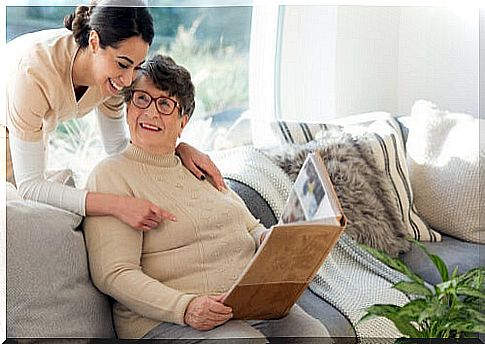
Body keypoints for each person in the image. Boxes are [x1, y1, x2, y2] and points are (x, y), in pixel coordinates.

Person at [83, 54, 331, 341]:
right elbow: (113, 273)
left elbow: (251, 227)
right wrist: (185, 307)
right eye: (141, 99)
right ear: (127, 108)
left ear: (182, 122)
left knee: (315, 335)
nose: (150, 112)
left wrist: (271, 242)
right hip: (169, 319)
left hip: (251, 305)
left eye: (165, 104)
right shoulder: (112, 175)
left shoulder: (197, 166)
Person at [5, 0, 225, 231]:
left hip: (29, 136)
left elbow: (118, 147)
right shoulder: (34, 72)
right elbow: (31, 186)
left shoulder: (112, 80)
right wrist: (119, 206)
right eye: (123, 64)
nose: (129, 80)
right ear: (93, 42)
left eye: (137, 67)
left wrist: (175, 149)